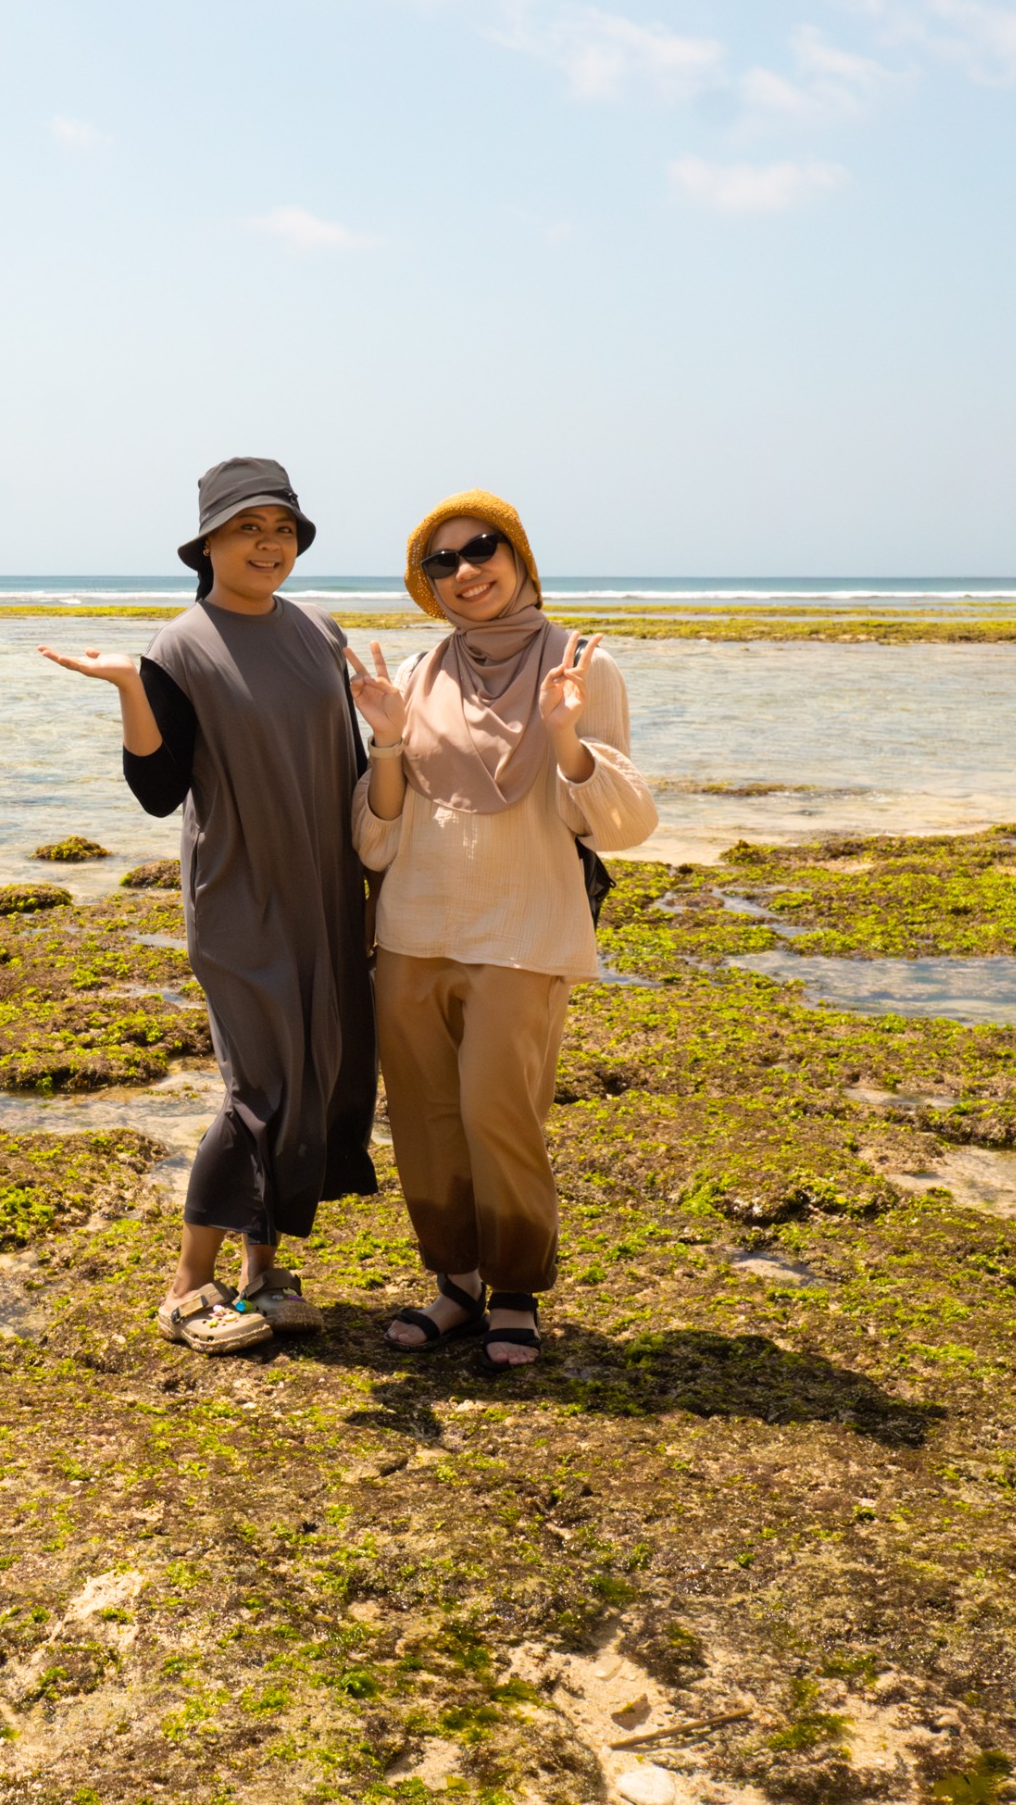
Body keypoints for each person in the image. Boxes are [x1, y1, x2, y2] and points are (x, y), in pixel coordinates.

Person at [42, 458, 378, 1355]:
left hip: (329, 893)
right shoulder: (181, 645)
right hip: (241, 896)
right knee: (259, 1088)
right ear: (211, 545)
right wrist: (128, 687)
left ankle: (262, 1275)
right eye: (247, 530)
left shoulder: (320, 633)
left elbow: (352, 764)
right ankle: (187, 1283)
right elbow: (158, 788)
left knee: (314, 1080)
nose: (268, 546)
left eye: (282, 531)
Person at [348, 492, 657, 1372]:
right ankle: (455, 1284)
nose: (465, 571)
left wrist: (564, 735)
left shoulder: (581, 667)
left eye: (481, 547)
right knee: (424, 1120)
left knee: (500, 1115)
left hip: (522, 933)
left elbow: (626, 822)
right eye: (440, 563)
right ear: (428, 588)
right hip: (412, 929)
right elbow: (374, 836)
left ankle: (515, 1290)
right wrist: (388, 745)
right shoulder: (410, 676)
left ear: (518, 555)